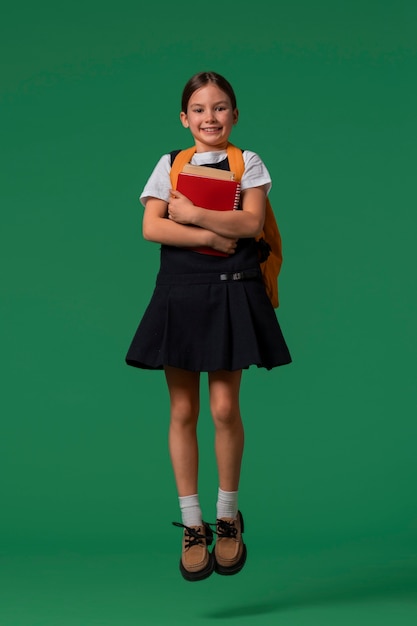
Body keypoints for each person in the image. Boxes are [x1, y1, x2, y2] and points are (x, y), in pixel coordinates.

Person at [125, 71, 291, 582]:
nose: (210, 117)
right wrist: (212, 235)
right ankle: (192, 524)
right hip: (181, 293)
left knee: (223, 408)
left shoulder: (249, 162)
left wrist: (195, 215)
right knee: (182, 409)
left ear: (235, 115)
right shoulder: (169, 164)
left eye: (220, 108)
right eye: (199, 109)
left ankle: (227, 516)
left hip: (230, 289)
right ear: (184, 118)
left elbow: (250, 223)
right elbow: (151, 226)